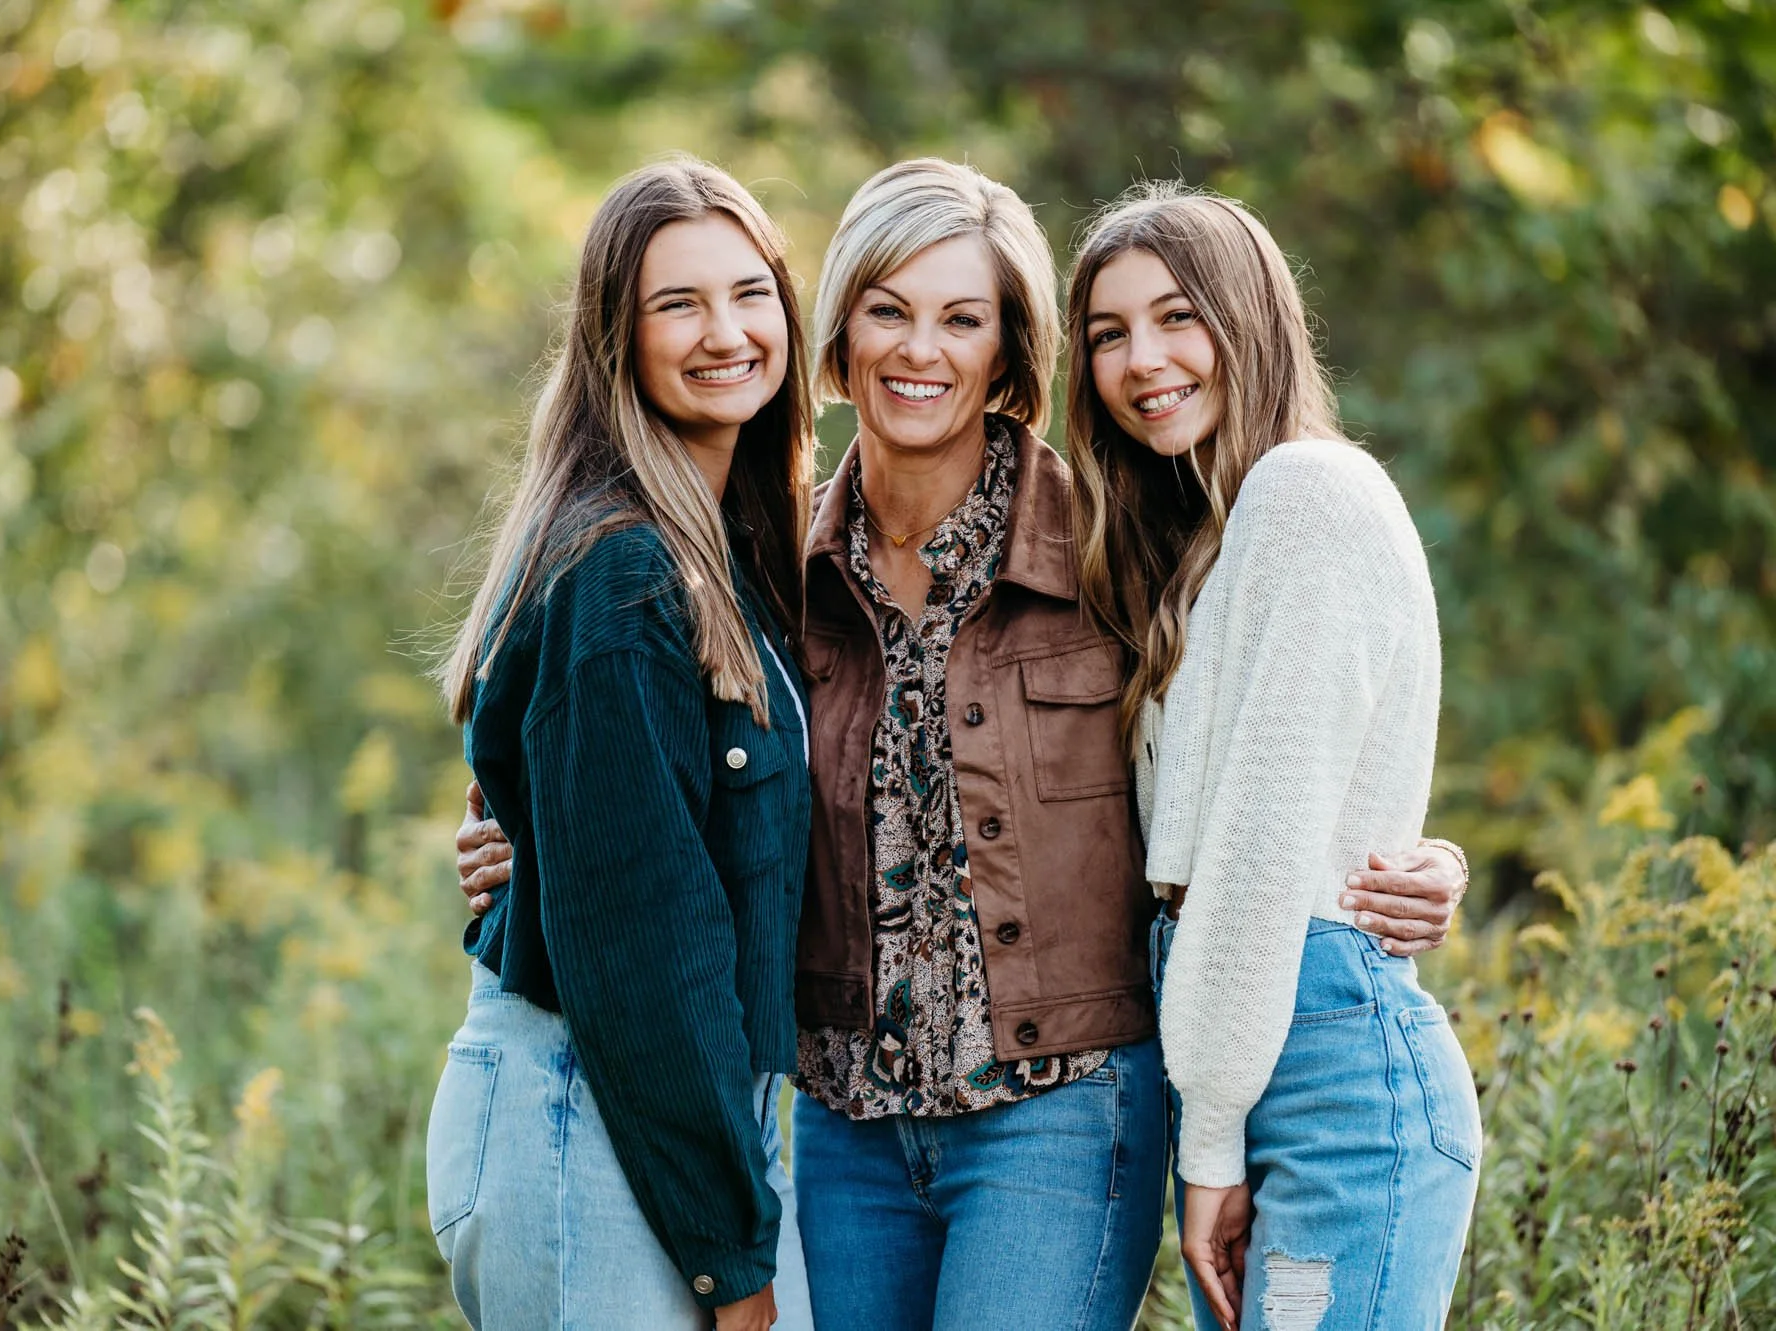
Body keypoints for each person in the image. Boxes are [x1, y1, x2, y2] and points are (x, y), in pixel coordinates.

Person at [453, 160, 1471, 1330]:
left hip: (1060, 1113)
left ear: (1009, 352)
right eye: (886, 309)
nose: (917, 350)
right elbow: (637, 774)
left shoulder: (1110, 545)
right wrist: (518, 835)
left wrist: (1404, 852)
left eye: (962, 318)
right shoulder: (769, 572)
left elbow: (1253, 732)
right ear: (836, 336)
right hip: (844, 1127)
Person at [1066, 180, 1480, 1331]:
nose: (1141, 357)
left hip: (1328, 1083)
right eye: (1107, 332)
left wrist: (1206, 1146)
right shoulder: (1198, 545)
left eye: (1174, 315)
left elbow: (1256, 857)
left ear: (1247, 317)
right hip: (1258, 1061)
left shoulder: (1307, 492)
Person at [424, 156, 817, 1331]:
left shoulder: (722, 553)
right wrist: (731, 1257)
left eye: (749, 294)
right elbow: (647, 939)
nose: (725, 332)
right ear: (614, 338)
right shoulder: (625, 570)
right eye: (676, 304)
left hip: (664, 1110)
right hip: (587, 1109)